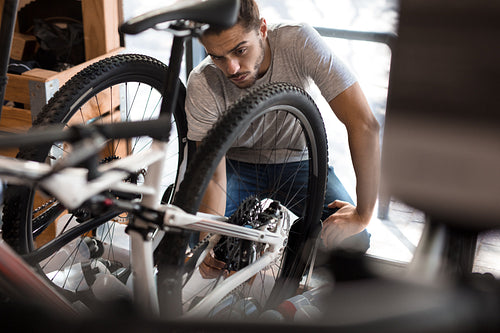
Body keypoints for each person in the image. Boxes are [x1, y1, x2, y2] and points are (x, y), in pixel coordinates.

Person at [185, 0, 380, 252]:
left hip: (299, 161)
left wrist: (363, 215)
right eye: (217, 57)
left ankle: (289, 246)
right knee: (195, 240)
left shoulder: (299, 40)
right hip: (236, 165)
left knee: (352, 242)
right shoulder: (203, 81)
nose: (231, 68)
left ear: (262, 30)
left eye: (240, 50)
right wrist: (206, 249)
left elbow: (364, 123)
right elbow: (213, 176)